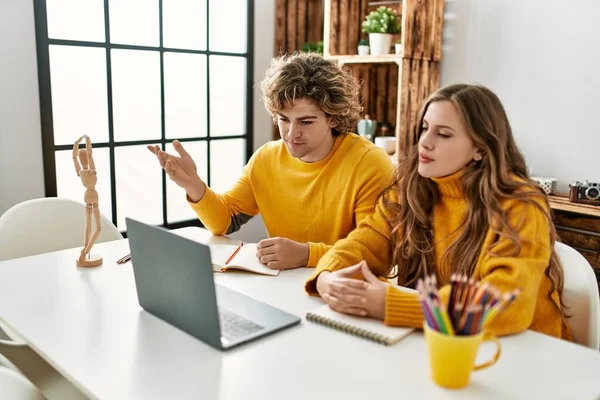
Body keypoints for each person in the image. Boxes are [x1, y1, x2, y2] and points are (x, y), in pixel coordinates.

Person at [305, 83, 571, 339]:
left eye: (443, 134)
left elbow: (504, 305)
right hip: (446, 341)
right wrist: (327, 279)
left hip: (525, 352)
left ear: (480, 148)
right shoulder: (413, 188)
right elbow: (363, 242)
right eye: (424, 128)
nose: (424, 143)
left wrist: (392, 305)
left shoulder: (520, 204)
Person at [148, 52, 395, 270]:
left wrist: (306, 254)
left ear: (333, 118)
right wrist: (194, 186)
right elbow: (224, 221)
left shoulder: (369, 163)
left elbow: (376, 254)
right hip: (284, 287)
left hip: (347, 292)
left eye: (306, 122)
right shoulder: (266, 158)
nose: (290, 133)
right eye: (283, 119)